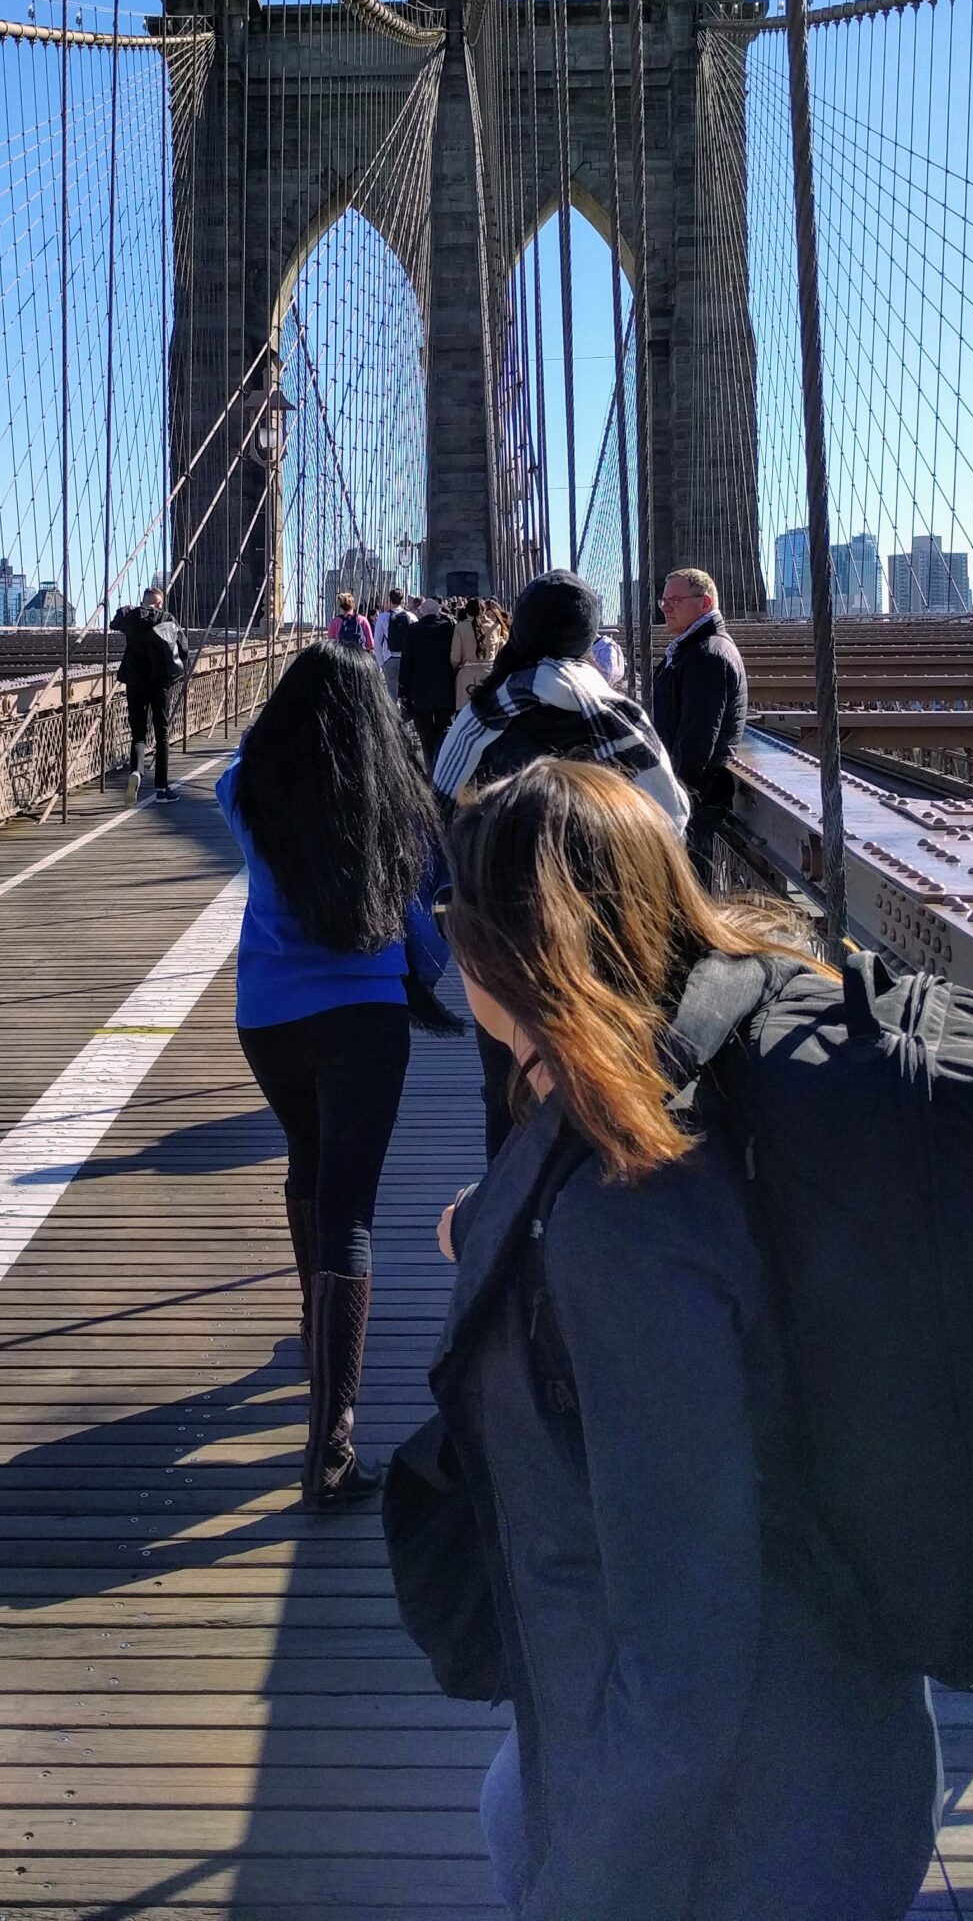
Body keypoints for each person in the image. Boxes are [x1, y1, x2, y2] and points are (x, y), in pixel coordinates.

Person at [431, 761, 939, 1921]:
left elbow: (684, 1655)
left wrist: (586, 1891)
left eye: (457, 921)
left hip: (734, 1835)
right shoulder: (722, 1055)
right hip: (842, 1735)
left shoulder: (624, 1220)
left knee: (515, 1827)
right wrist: (511, 1243)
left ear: (512, 953)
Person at [216, 641, 449, 1509]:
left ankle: (319, 1329)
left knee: (306, 1168)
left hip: (268, 1018)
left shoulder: (247, 789)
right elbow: (429, 881)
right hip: (365, 1018)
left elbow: (234, 765)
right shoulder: (394, 800)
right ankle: (332, 1449)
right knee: (351, 1206)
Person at [433, 570, 688, 1158]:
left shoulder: (479, 720)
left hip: (502, 938)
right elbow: (669, 821)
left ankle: (503, 1226)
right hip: (610, 939)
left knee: (506, 1088)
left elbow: (444, 821)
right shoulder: (621, 719)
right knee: (613, 1083)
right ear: (586, 638)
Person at [651, 566, 750, 883]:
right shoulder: (694, 649)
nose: (666, 607)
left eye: (675, 600)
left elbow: (696, 744)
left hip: (693, 804)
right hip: (691, 801)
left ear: (705, 603)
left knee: (689, 892)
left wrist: (670, 796)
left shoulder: (707, 655)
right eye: (663, 601)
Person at [111, 585, 189, 801]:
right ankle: (162, 790)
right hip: (160, 684)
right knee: (162, 733)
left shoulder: (132, 616)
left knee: (138, 733)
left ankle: (136, 771)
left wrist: (125, 609)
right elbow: (183, 650)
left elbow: (113, 624)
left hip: (135, 682)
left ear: (144, 601)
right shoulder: (167, 618)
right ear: (160, 603)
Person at [398, 595, 459, 767]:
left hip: (420, 691)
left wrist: (403, 690)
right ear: (439, 611)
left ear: (421, 612)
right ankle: (443, 766)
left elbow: (406, 662)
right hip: (445, 689)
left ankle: (429, 767)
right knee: (444, 729)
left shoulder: (413, 630)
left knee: (425, 734)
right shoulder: (449, 628)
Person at [451, 594, 508, 708]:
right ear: (484, 610)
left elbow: (455, 658)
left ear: (467, 611)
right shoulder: (495, 627)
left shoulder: (460, 628)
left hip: (467, 677)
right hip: (489, 676)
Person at [374, 585, 416, 690]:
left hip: (390, 658)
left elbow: (377, 642)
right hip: (407, 659)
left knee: (392, 695)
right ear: (403, 600)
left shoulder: (383, 617)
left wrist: (381, 663)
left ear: (390, 600)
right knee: (407, 692)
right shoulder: (411, 617)